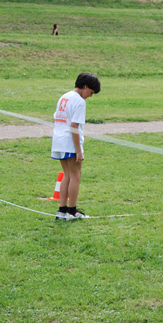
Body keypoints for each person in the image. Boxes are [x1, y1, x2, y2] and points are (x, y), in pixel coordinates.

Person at [51, 73, 100, 221]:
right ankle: (72, 211)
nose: (90, 96)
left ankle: (62, 210)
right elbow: (74, 126)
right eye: (91, 92)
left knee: (67, 175)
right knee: (75, 176)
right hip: (69, 142)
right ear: (85, 87)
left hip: (58, 141)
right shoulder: (79, 101)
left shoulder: (64, 97)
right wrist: (78, 150)